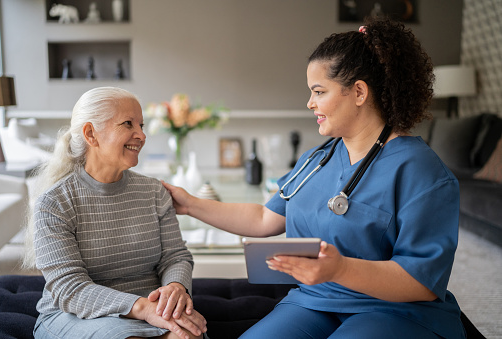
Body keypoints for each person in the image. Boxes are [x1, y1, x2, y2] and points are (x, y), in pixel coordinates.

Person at [162, 19, 466, 338]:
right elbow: (265, 218)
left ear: (359, 92)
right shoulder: (317, 159)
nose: (310, 104)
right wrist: (191, 204)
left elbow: (421, 282)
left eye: (319, 92)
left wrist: (341, 269)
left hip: (396, 308)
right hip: (314, 301)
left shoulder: (421, 171)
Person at [24, 87, 207, 339]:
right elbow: (70, 289)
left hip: (153, 309)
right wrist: (142, 308)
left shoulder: (154, 192)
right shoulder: (54, 203)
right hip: (76, 315)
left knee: (187, 336)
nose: (141, 135)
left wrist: (175, 287)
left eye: (141, 125)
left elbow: (175, 256)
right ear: (91, 134)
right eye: (128, 124)